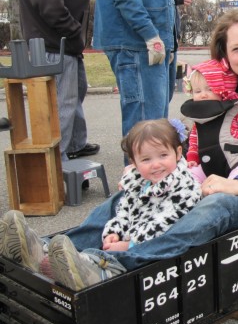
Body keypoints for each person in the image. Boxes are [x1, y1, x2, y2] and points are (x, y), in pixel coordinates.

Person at [0, 8, 238, 283]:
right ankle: (43, 249)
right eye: (237, 49)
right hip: (206, 180)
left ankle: (105, 266)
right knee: (135, 193)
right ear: (224, 55)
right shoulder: (223, 86)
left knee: (215, 207)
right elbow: (197, 137)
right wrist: (155, 163)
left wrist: (237, 185)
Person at [0, 119, 202, 290]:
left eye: (163, 156)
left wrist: (129, 244)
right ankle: (43, 253)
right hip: (131, 237)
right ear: (133, 162)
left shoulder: (184, 187)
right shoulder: (139, 182)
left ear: (177, 153)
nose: (156, 164)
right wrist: (114, 231)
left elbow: (164, 224)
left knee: (115, 254)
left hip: (152, 248)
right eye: (146, 159)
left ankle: (93, 266)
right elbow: (125, 211)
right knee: (112, 206)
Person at [15, 0, 99, 161]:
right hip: (53, 47)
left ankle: (74, 147)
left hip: (61, 45)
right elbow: (48, 3)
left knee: (72, 99)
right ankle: (56, 169)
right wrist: (74, 33)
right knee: (59, 110)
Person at [93, 0, 176, 140]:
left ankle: (153, 173)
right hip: (135, 46)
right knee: (143, 127)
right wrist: (151, 36)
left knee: (155, 125)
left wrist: (167, 43)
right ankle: (139, 174)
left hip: (147, 46)